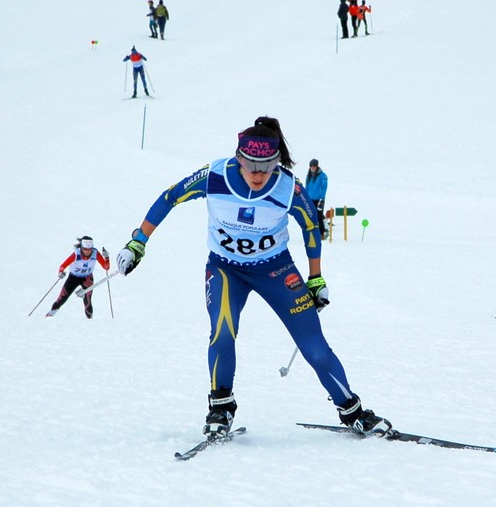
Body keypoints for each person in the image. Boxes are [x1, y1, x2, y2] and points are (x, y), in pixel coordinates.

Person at [114, 116, 392, 438]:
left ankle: (353, 411)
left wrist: (315, 278)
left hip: (275, 270)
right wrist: (138, 242)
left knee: (314, 347)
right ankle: (220, 408)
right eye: (250, 165)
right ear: (238, 158)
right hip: (225, 269)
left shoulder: (288, 187)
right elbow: (169, 197)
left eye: (267, 166)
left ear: (277, 161)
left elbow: (311, 227)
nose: (258, 174)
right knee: (222, 331)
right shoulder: (215, 175)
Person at [47, 237, 110, 318]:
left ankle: (90, 321)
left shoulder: (95, 253)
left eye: (89, 249)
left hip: (87, 278)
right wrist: (60, 272)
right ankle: (49, 316)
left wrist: (107, 257)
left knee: (87, 301)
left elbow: (106, 267)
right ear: (81, 248)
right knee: (62, 299)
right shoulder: (76, 254)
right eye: (85, 249)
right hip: (73, 278)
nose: (87, 251)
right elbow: (63, 266)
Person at [305, 158, 329, 240]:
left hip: (319, 199)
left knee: (318, 215)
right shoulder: (309, 175)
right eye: (311, 166)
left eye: (314, 166)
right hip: (310, 199)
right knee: (311, 216)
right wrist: (305, 197)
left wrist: (322, 198)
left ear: (317, 166)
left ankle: (321, 233)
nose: (312, 167)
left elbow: (324, 187)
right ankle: (313, 233)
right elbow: (307, 186)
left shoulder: (322, 175)